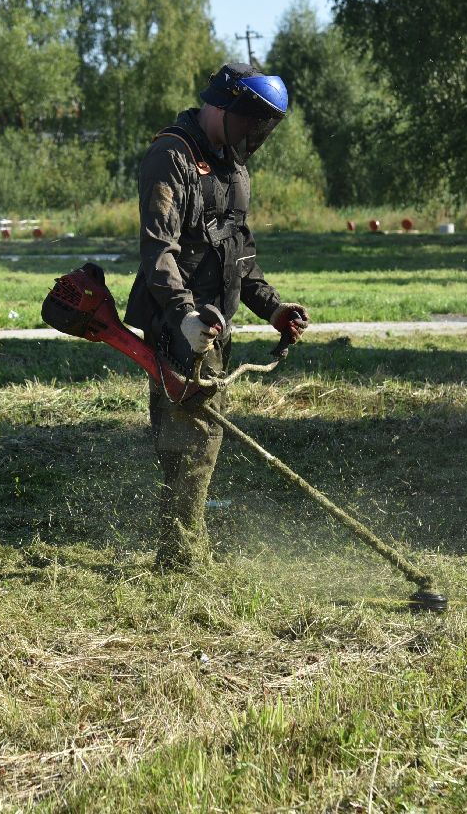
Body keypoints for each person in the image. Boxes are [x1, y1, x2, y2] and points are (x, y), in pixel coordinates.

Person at [124, 63, 311, 570]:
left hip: (214, 323)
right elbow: (158, 250)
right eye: (249, 121)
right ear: (222, 107)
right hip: (177, 322)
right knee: (190, 437)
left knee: (203, 435)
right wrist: (184, 315)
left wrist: (272, 307)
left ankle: (181, 546)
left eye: (262, 126)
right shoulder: (172, 156)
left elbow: (239, 253)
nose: (254, 134)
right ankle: (182, 554)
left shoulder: (231, 166)